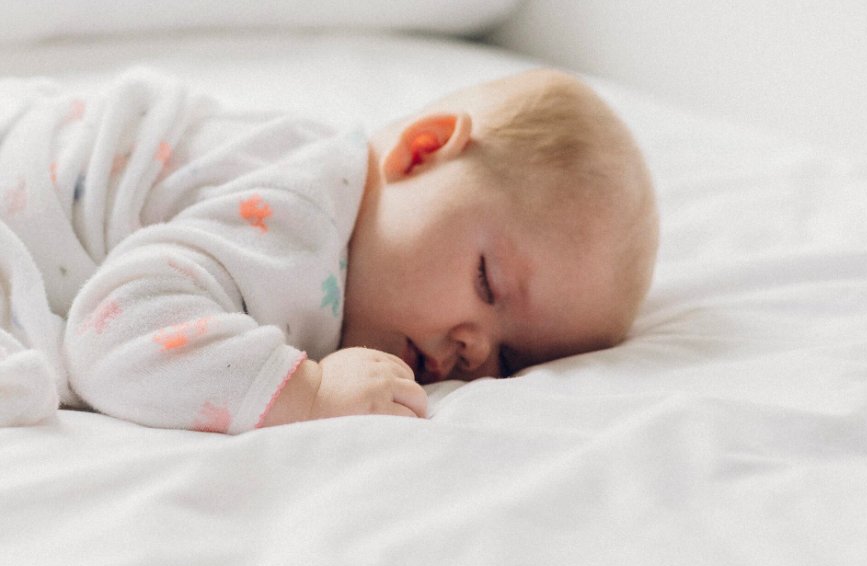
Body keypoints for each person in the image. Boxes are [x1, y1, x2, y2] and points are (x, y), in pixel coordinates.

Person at [0, 67, 658, 432]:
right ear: (422, 151)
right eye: (487, 283)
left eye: (511, 357)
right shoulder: (300, 223)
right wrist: (304, 391)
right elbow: (110, 338)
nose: (475, 350)